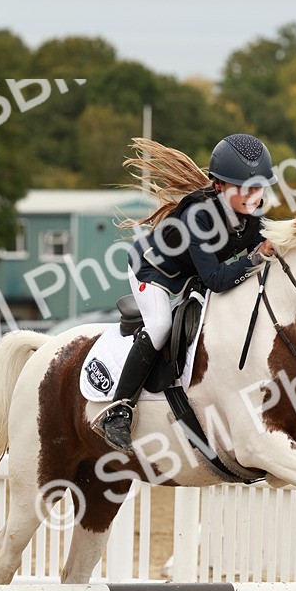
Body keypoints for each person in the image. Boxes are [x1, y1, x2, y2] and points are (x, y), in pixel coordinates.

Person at [93, 134, 277, 452]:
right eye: (244, 189)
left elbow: (266, 244)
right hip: (153, 272)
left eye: (258, 188)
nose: (252, 197)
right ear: (220, 187)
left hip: (190, 277)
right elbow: (217, 279)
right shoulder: (200, 217)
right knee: (161, 325)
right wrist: (257, 256)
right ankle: (117, 411)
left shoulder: (249, 218)